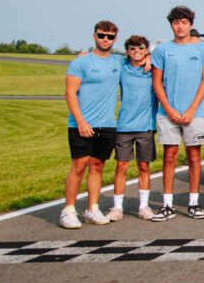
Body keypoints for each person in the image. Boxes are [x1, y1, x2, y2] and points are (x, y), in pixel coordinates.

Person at [151, 6, 204, 220]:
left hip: (195, 113)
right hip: (168, 112)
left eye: (184, 22)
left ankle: (194, 202)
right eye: (176, 22)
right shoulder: (162, 50)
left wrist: (191, 109)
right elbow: (157, 83)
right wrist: (169, 109)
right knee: (169, 156)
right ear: (171, 25)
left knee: (194, 156)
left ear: (191, 24)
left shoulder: (203, 49)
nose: (180, 26)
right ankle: (167, 204)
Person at [61, 20, 123, 228]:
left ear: (115, 39)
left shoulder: (118, 62)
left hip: (106, 124)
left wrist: (148, 58)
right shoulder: (81, 62)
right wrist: (80, 121)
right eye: (101, 35)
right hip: (82, 124)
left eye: (110, 36)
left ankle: (92, 209)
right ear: (94, 36)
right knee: (78, 166)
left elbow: (138, 58)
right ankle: (69, 209)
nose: (105, 39)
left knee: (97, 166)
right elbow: (70, 93)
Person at [107, 35, 157, 222]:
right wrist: (82, 54)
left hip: (145, 126)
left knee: (144, 166)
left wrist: (151, 58)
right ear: (127, 51)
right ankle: (117, 207)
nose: (137, 51)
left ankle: (143, 206)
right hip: (124, 126)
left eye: (141, 48)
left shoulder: (152, 69)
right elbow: (104, 57)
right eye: (132, 48)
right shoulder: (122, 68)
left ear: (146, 50)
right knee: (121, 166)